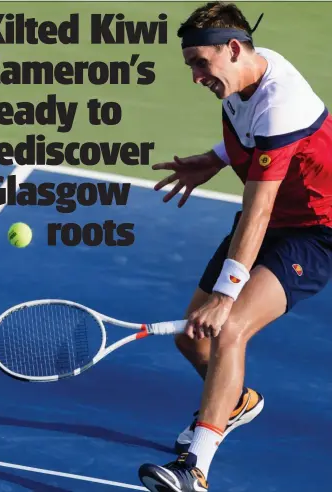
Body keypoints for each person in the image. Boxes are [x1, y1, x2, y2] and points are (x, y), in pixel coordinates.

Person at [138, 2, 332, 491]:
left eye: (201, 64)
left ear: (233, 49)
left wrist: (227, 295)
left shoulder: (281, 99)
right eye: (191, 66)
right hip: (267, 221)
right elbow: (251, 135)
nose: (196, 76)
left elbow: (260, 207)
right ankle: (237, 401)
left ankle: (194, 469)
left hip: (313, 231)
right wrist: (212, 158)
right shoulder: (242, 77)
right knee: (192, 338)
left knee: (229, 330)